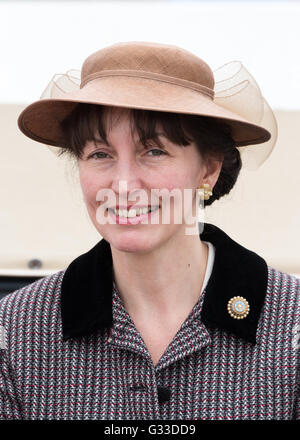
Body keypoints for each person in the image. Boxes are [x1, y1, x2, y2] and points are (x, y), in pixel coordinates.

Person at [0, 41, 299, 420]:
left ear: (207, 169)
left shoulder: (291, 324)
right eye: (100, 154)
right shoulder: (14, 332)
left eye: (154, 151)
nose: (123, 185)